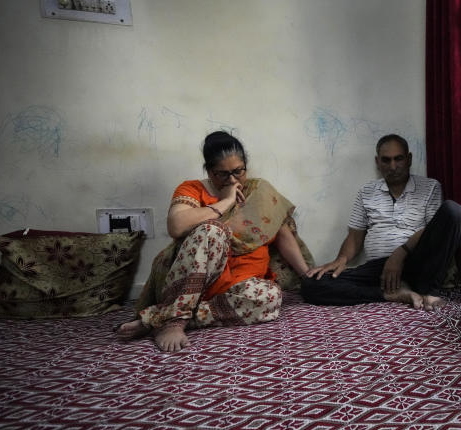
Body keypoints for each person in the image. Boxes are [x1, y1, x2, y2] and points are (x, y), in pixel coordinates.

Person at [113, 131, 313, 352]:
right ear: (209, 171)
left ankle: (155, 319)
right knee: (213, 230)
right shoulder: (192, 188)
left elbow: (280, 233)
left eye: (238, 171)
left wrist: (306, 275)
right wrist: (225, 202)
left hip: (236, 287)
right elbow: (176, 226)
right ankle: (173, 321)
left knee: (270, 297)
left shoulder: (258, 190)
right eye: (223, 174)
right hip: (193, 281)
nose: (233, 180)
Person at [301, 134, 461, 311]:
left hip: (418, 263)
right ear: (377, 162)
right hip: (379, 270)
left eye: (398, 159)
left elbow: (433, 232)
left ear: (408, 159)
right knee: (311, 285)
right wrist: (341, 259)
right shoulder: (367, 191)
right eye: (386, 160)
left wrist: (400, 254)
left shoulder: (430, 187)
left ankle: (427, 290)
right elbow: (355, 237)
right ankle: (391, 294)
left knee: (454, 211)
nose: (392, 166)